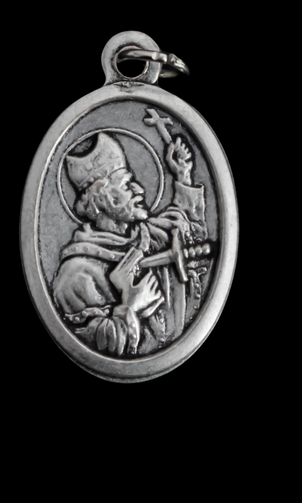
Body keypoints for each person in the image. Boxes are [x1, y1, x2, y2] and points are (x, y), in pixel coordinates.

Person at [53, 132, 208, 356]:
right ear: (103, 199)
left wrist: (183, 175)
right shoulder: (75, 276)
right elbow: (91, 348)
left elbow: (191, 234)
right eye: (127, 185)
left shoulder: (149, 234)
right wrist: (131, 307)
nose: (140, 190)